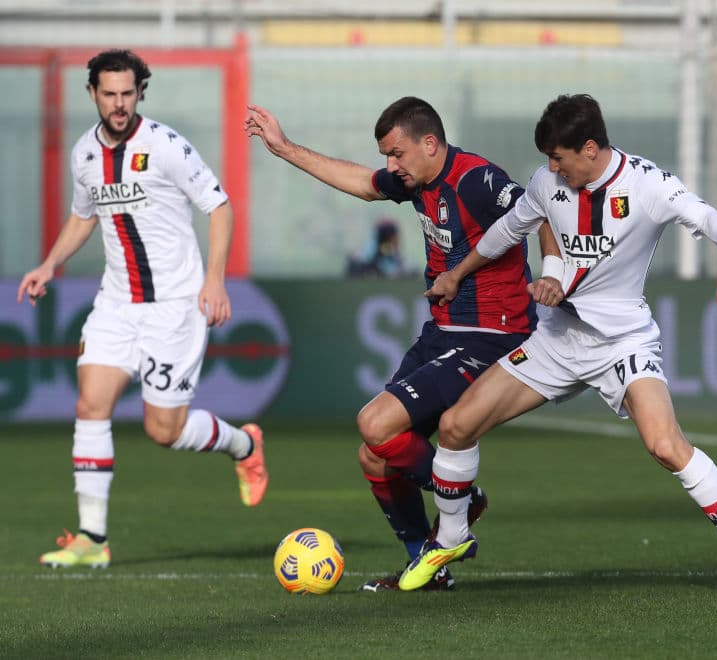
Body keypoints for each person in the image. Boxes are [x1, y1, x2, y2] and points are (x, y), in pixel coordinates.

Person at [402, 93, 717, 598]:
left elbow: (700, 213)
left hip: (622, 342)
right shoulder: (546, 184)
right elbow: (504, 231)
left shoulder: (647, 184)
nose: (550, 169)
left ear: (588, 149)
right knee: (455, 425)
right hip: (557, 342)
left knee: (667, 447)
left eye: (558, 158)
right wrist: (456, 274)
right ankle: (451, 537)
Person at [245, 96, 559, 591]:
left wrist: (554, 274)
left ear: (429, 144)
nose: (391, 167)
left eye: (397, 154)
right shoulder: (417, 180)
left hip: (493, 336)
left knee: (374, 422)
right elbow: (362, 184)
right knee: (374, 455)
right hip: (442, 332)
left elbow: (540, 214)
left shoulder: (477, 180)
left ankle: (461, 496)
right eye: (387, 156)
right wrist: (284, 149)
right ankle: (429, 565)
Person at [17, 49, 267, 569]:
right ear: (92, 94)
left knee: (164, 432)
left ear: (139, 92)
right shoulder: (84, 153)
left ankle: (243, 444)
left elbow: (219, 207)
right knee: (90, 405)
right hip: (116, 304)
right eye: (108, 93)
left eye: (127, 93)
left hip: (174, 306)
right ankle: (92, 539)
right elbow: (83, 216)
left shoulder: (165, 146)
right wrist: (49, 264)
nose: (119, 103)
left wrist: (215, 280)